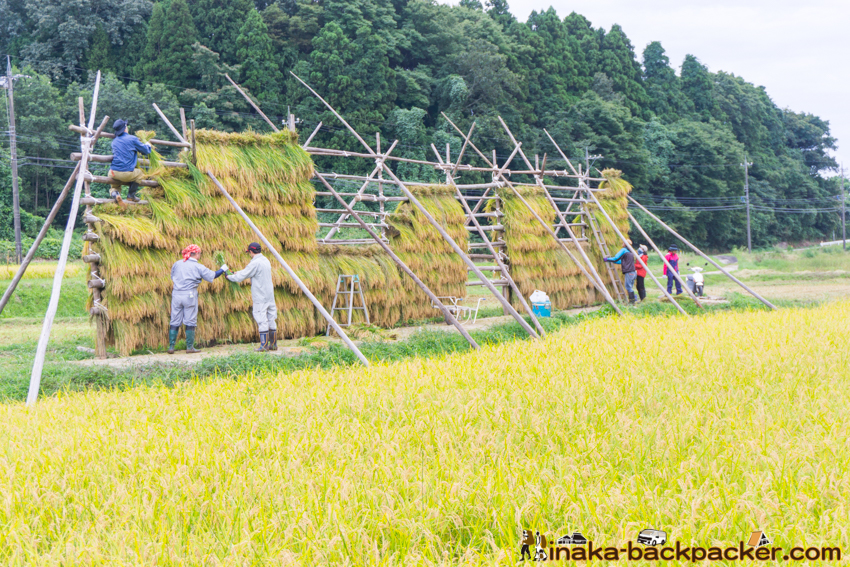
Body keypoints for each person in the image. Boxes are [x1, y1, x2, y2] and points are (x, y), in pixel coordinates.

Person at [168, 244, 227, 354]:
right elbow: (213, 275)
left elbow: (172, 276)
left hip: (176, 294)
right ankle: (189, 347)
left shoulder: (177, 264)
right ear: (197, 254)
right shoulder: (198, 266)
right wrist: (222, 269)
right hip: (189, 294)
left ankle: (171, 347)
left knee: (175, 319)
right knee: (190, 320)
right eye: (200, 253)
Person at [227, 242, 278, 351]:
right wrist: (236, 272)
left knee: (261, 318)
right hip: (269, 295)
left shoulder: (255, 263)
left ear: (250, 251)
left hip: (261, 295)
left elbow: (242, 276)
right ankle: (273, 345)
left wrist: (229, 277)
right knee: (271, 318)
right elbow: (247, 272)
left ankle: (263, 346)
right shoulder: (265, 260)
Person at [109, 119, 151, 203]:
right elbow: (146, 151)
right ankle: (131, 195)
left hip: (113, 172)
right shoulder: (132, 139)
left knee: (115, 186)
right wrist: (148, 145)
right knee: (140, 173)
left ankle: (115, 194)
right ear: (125, 128)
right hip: (126, 173)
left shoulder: (114, 141)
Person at [604, 239, 638, 304]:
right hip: (633, 272)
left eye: (623, 242)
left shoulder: (624, 250)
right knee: (630, 287)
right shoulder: (630, 252)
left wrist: (607, 259)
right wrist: (611, 260)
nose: (622, 243)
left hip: (629, 272)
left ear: (625, 244)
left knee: (628, 287)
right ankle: (633, 301)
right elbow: (622, 262)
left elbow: (616, 258)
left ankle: (632, 302)